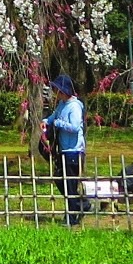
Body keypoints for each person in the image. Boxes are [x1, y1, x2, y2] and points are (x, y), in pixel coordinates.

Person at [44, 74, 87, 226]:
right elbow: (53, 117)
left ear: (64, 91)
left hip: (73, 150)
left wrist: (58, 123)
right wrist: (45, 122)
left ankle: (72, 216)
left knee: (69, 184)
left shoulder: (74, 107)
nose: (56, 93)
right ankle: (81, 204)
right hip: (64, 149)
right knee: (60, 179)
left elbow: (75, 127)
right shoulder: (62, 105)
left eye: (58, 90)